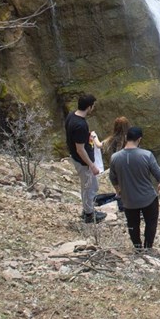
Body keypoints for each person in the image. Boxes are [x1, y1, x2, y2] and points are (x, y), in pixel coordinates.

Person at [109, 126, 160, 249]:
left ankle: (137, 248)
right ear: (139, 139)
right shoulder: (146, 155)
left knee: (132, 224)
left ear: (126, 138)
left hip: (128, 199)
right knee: (151, 222)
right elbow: (158, 173)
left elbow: (113, 178)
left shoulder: (115, 157)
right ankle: (148, 247)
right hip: (148, 198)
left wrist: (118, 190)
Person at [64, 94, 104, 224]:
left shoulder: (71, 116)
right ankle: (89, 214)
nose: (93, 108)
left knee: (92, 186)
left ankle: (88, 209)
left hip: (77, 159)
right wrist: (91, 165)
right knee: (89, 187)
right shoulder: (80, 125)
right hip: (83, 162)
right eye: (93, 106)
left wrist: (88, 136)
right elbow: (80, 149)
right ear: (89, 107)